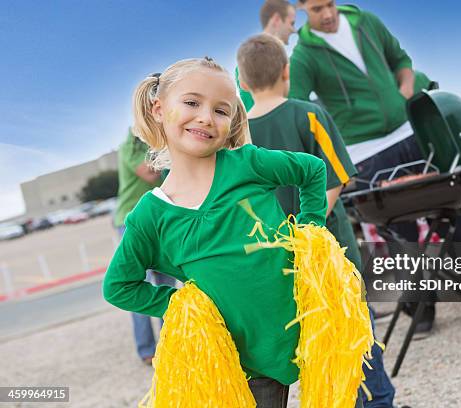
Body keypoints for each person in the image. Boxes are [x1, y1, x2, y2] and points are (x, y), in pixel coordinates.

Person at [103, 56, 335, 407]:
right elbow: (118, 287)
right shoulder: (149, 216)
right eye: (192, 103)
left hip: (313, 329)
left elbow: (313, 170)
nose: (206, 118)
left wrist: (312, 232)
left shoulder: (248, 164)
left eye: (221, 110)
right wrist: (184, 306)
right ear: (159, 108)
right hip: (243, 361)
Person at [289, 0, 461, 341]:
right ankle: (421, 307)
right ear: (300, 7)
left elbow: (401, 61)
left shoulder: (367, 21)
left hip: (409, 133)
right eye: (316, 7)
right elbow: (297, 104)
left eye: (329, 4)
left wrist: (404, 94)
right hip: (365, 152)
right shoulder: (304, 56)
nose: (326, 13)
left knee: (449, 212)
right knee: (399, 232)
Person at [237, 33, 396, 408]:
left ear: (242, 83)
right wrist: (307, 233)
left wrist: (286, 240)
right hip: (331, 254)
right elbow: (336, 178)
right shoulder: (308, 113)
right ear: (287, 71)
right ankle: (376, 401)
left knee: (307, 340)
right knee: (355, 332)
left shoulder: (239, 135)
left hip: (276, 262)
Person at [113, 128, 176, 365]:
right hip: (131, 220)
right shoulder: (131, 144)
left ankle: (169, 344)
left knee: (167, 284)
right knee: (139, 286)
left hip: (158, 218)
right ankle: (147, 350)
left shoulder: (161, 139)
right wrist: (175, 153)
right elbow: (149, 174)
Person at [237, 0, 296, 111]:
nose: (293, 30)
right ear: (277, 19)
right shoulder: (282, 64)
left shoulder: (244, 62)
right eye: (291, 23)